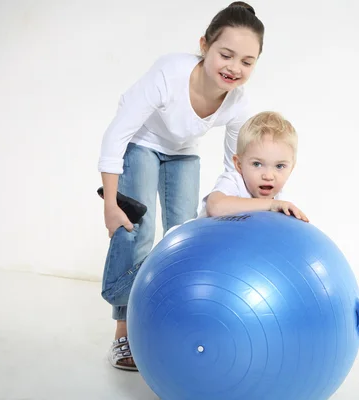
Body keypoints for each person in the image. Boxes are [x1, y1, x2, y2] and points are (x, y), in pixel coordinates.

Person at [97, 2, 265, 370]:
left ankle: (166, 324)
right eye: (226, 54)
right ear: (204, 45)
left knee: (181, 237)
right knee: (136, 233)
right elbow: (117, 134)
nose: (234, 68)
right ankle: (123, 333)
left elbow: (233, 168)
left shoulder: (238, 103)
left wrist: (249, 207)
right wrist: (111, 203)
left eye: (247, 61)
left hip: (182, 153)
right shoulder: (170, 72)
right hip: (141, 143)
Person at [101, 111, 307, 370]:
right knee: (121, 291)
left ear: (292, 166)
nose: (268, 175)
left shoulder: (276, 198)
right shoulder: (233, 182)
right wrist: (271, 204)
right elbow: (217, 206)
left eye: (279, 166)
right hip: (184, 261)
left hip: (218, 271)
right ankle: (121, 259)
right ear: (239, 163)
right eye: (257, 164)